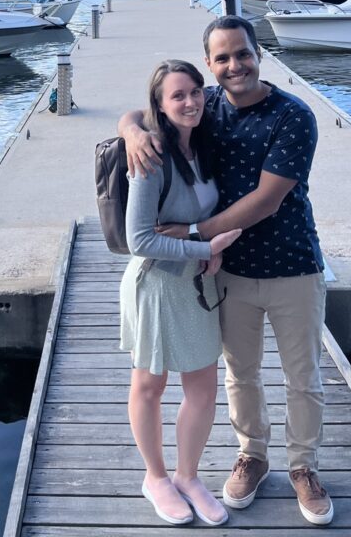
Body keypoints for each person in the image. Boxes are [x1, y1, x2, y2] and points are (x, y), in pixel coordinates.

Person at [119, 15, 333, 527]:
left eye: (243, 54)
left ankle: (303, 466)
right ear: (211, 65)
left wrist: (197, 236)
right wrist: (129, 130)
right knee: (240, 374)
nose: (234, 65)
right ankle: (252, 455)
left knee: (302, 377)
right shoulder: (207, 105)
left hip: (290, 265)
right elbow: (149, 108)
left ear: (259, 54)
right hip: (226, 273)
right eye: (222, 58)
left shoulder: (293, 116)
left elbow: (266, 199)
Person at [120, 58, 241, 527]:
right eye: (177, 95)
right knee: (150, 385)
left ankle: (188, 476)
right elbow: (139, 240)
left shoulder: (203, 147)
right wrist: (203, 244)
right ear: (160, 104)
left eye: (195, 91)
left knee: (203, 388)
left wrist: (208, 248)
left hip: (196, 284)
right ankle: (155, 478)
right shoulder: (150, 156)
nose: (189, 102)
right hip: (156, 284)